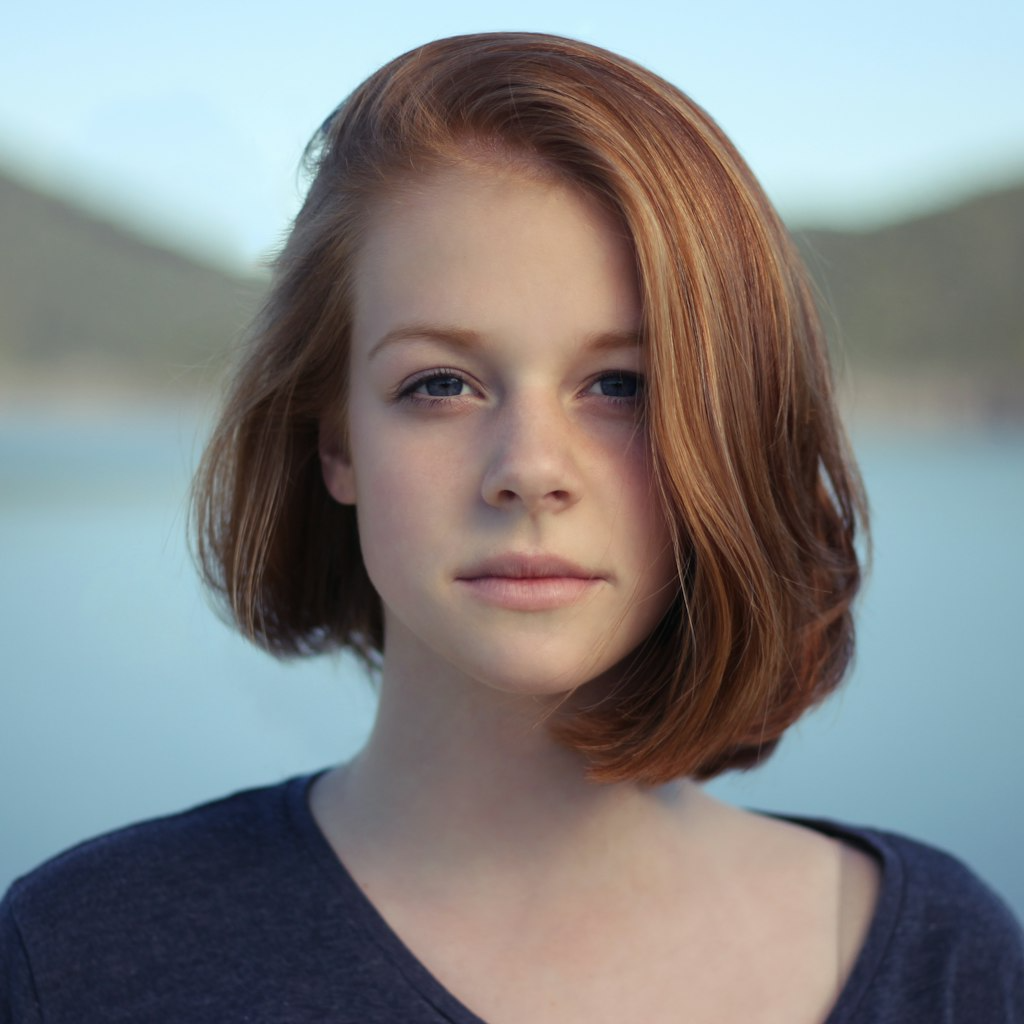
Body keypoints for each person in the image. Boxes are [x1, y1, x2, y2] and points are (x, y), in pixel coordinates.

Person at [2, 32, 1021, 1024]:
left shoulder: (945, 958)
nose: (529, 468)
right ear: (336, 445)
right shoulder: (79, 957)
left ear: (732, 428)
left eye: (621, 384)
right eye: (439, 383)